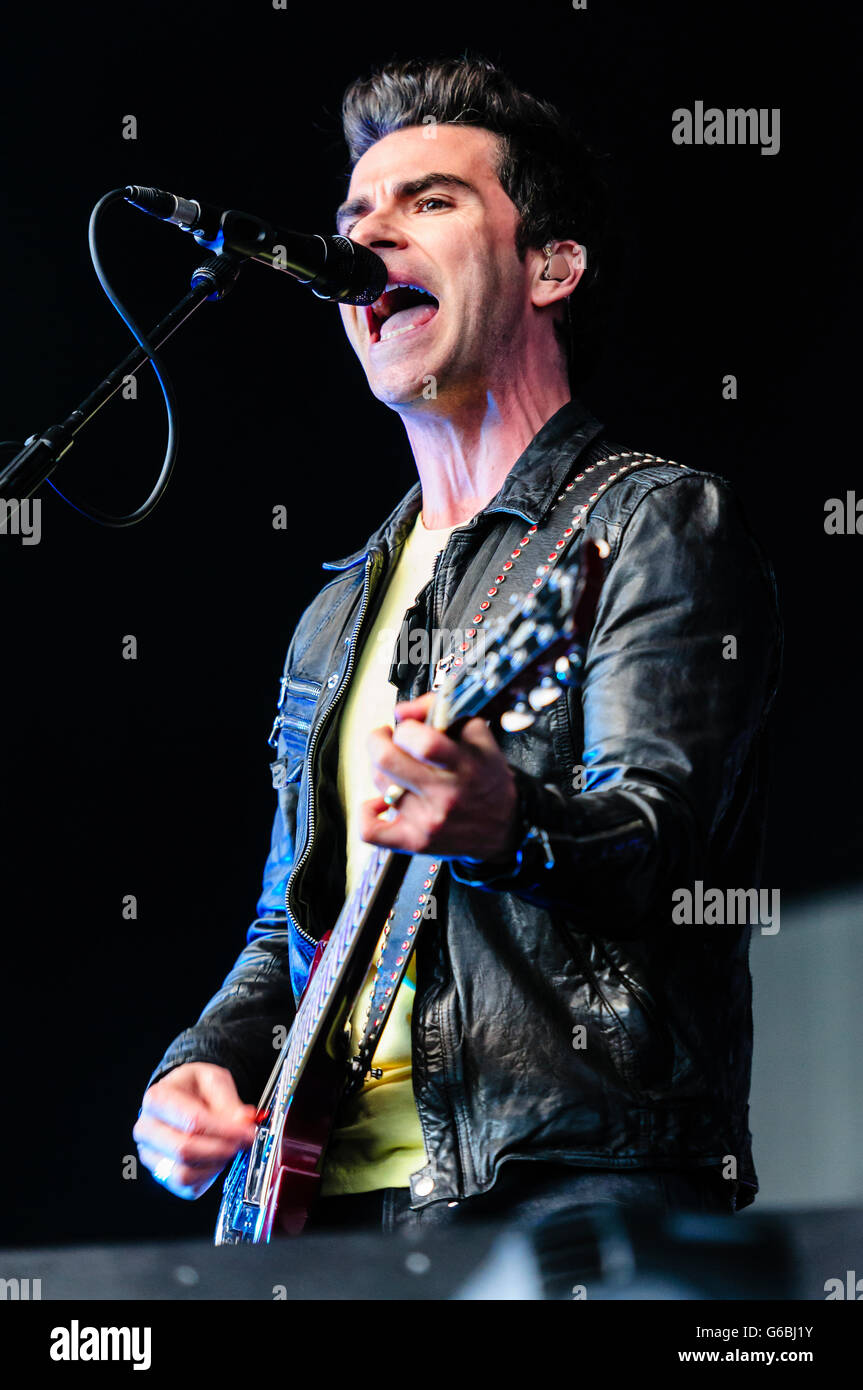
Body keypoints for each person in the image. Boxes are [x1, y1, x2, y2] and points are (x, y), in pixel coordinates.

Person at [133, 56, 782, 1236]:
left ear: (551, 266)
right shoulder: (336, 611)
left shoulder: (651, 519)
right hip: (320, 1218)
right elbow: (291, 930)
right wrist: (194, 1071)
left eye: (428, 202)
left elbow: (665, 853)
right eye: (353, 218)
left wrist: (507, 825)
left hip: (564, 1195)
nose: (369, 234)